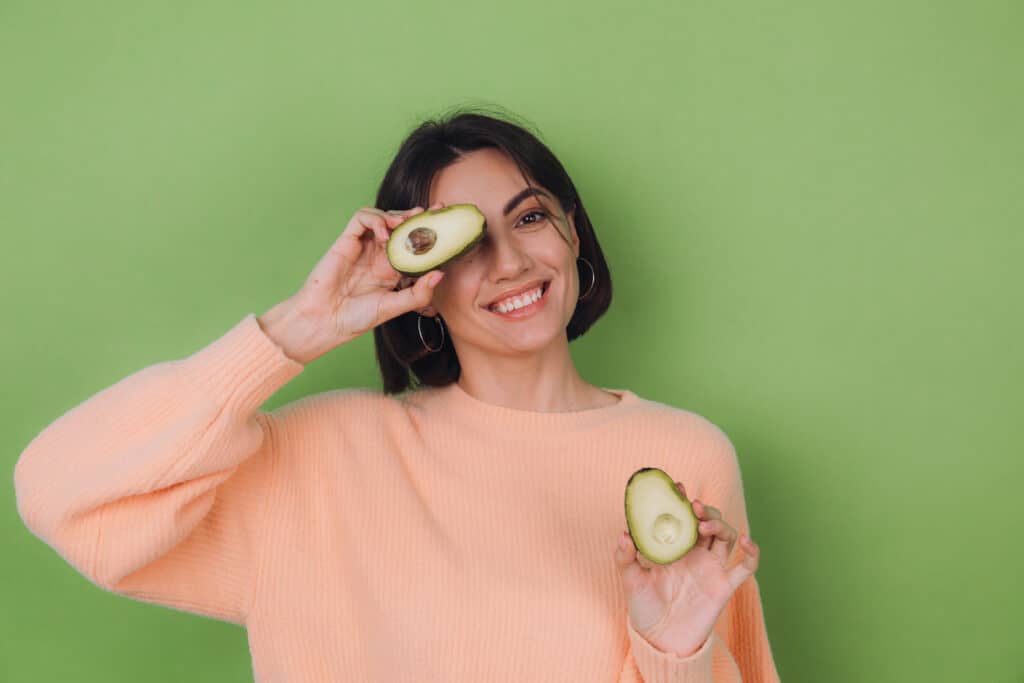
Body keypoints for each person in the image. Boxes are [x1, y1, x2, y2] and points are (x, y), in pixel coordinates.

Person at [13, 107, 780, 682]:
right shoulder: (319, 456)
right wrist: (296, 329)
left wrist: (674, 650)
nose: (510, 261)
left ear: (573, 233)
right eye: (467, 241)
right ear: (418, 284)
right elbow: (60, 492)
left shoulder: (685, 457)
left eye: (531, 217)